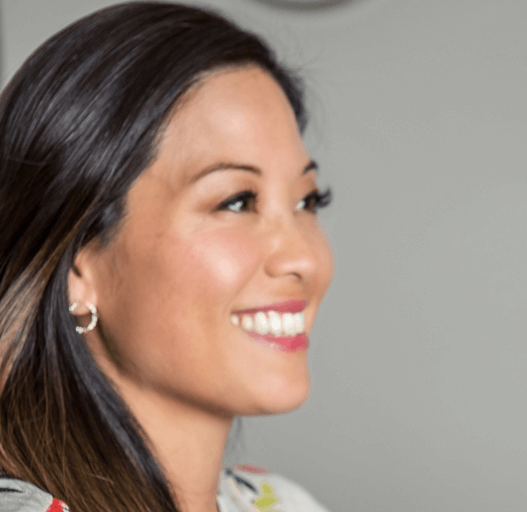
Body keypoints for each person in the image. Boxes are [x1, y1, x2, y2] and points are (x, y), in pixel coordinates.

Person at [0, 2, 334, 511]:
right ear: (79, 267)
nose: (304, 259)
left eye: (307, 201)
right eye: (237, 201)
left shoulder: (284, 505)